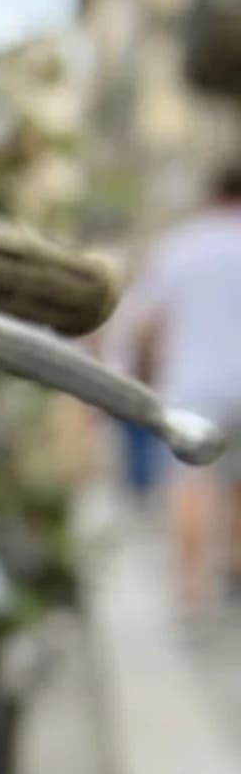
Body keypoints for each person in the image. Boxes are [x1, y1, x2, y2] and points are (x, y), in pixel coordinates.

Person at [123, 164, 241, 613]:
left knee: (191, 483)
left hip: (197, 384)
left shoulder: (183, 245)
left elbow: (146, 322)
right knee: (239, 484)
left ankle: (190, 587)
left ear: (213, 193)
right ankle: (233, 566)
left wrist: (147, 378)